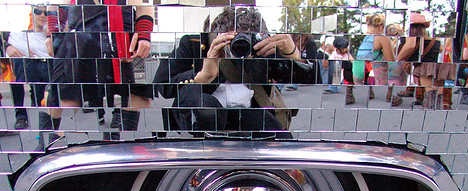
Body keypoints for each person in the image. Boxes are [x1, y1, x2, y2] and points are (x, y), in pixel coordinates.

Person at [154, 7, 316, 133]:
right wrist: (202, 76)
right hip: (200, 119)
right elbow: (163, 86)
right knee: (207, 110)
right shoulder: (194, 44)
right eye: (232, 40)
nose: (240, 47)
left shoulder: (262, 49)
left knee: (272, 129)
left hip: (248, 116)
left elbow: (305, 84)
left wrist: (293, 54)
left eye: (246, 39)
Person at [40, 0, 153, 148]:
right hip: (82, 35)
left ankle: (119, 145)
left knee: (137, 95)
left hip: (121, 37)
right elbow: (57, 6)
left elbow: (143, 6)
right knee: (67, 94)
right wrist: (52, 34)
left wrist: (144, 35)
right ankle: (46, 145)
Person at [4, 6, 51, 129]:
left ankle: (40, 113)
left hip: (43, 62)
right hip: (21, 60)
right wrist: (7, 46)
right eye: (37, 11)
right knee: (16, 77)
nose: (42, 15)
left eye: (45, 13)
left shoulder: (50, 28)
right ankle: (21, 116)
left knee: (40, 97)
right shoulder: (16, 21)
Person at [353, 13, 404, 106]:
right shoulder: (382, 38)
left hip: (357, 75)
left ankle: (369, 91)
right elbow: (391, 60)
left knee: (374, 58)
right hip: (370, 74)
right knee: (393, 64)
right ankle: (390, 94)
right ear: (381, 26)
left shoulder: (363, 37)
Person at [397, 13, 442, 109]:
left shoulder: (412, 38)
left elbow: (410, 46)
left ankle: (431, 115)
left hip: (425, 67)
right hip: (439, 66)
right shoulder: (434, 39)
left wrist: (397, 59)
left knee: (431, 95)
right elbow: (441, 49)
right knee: (437, 95)